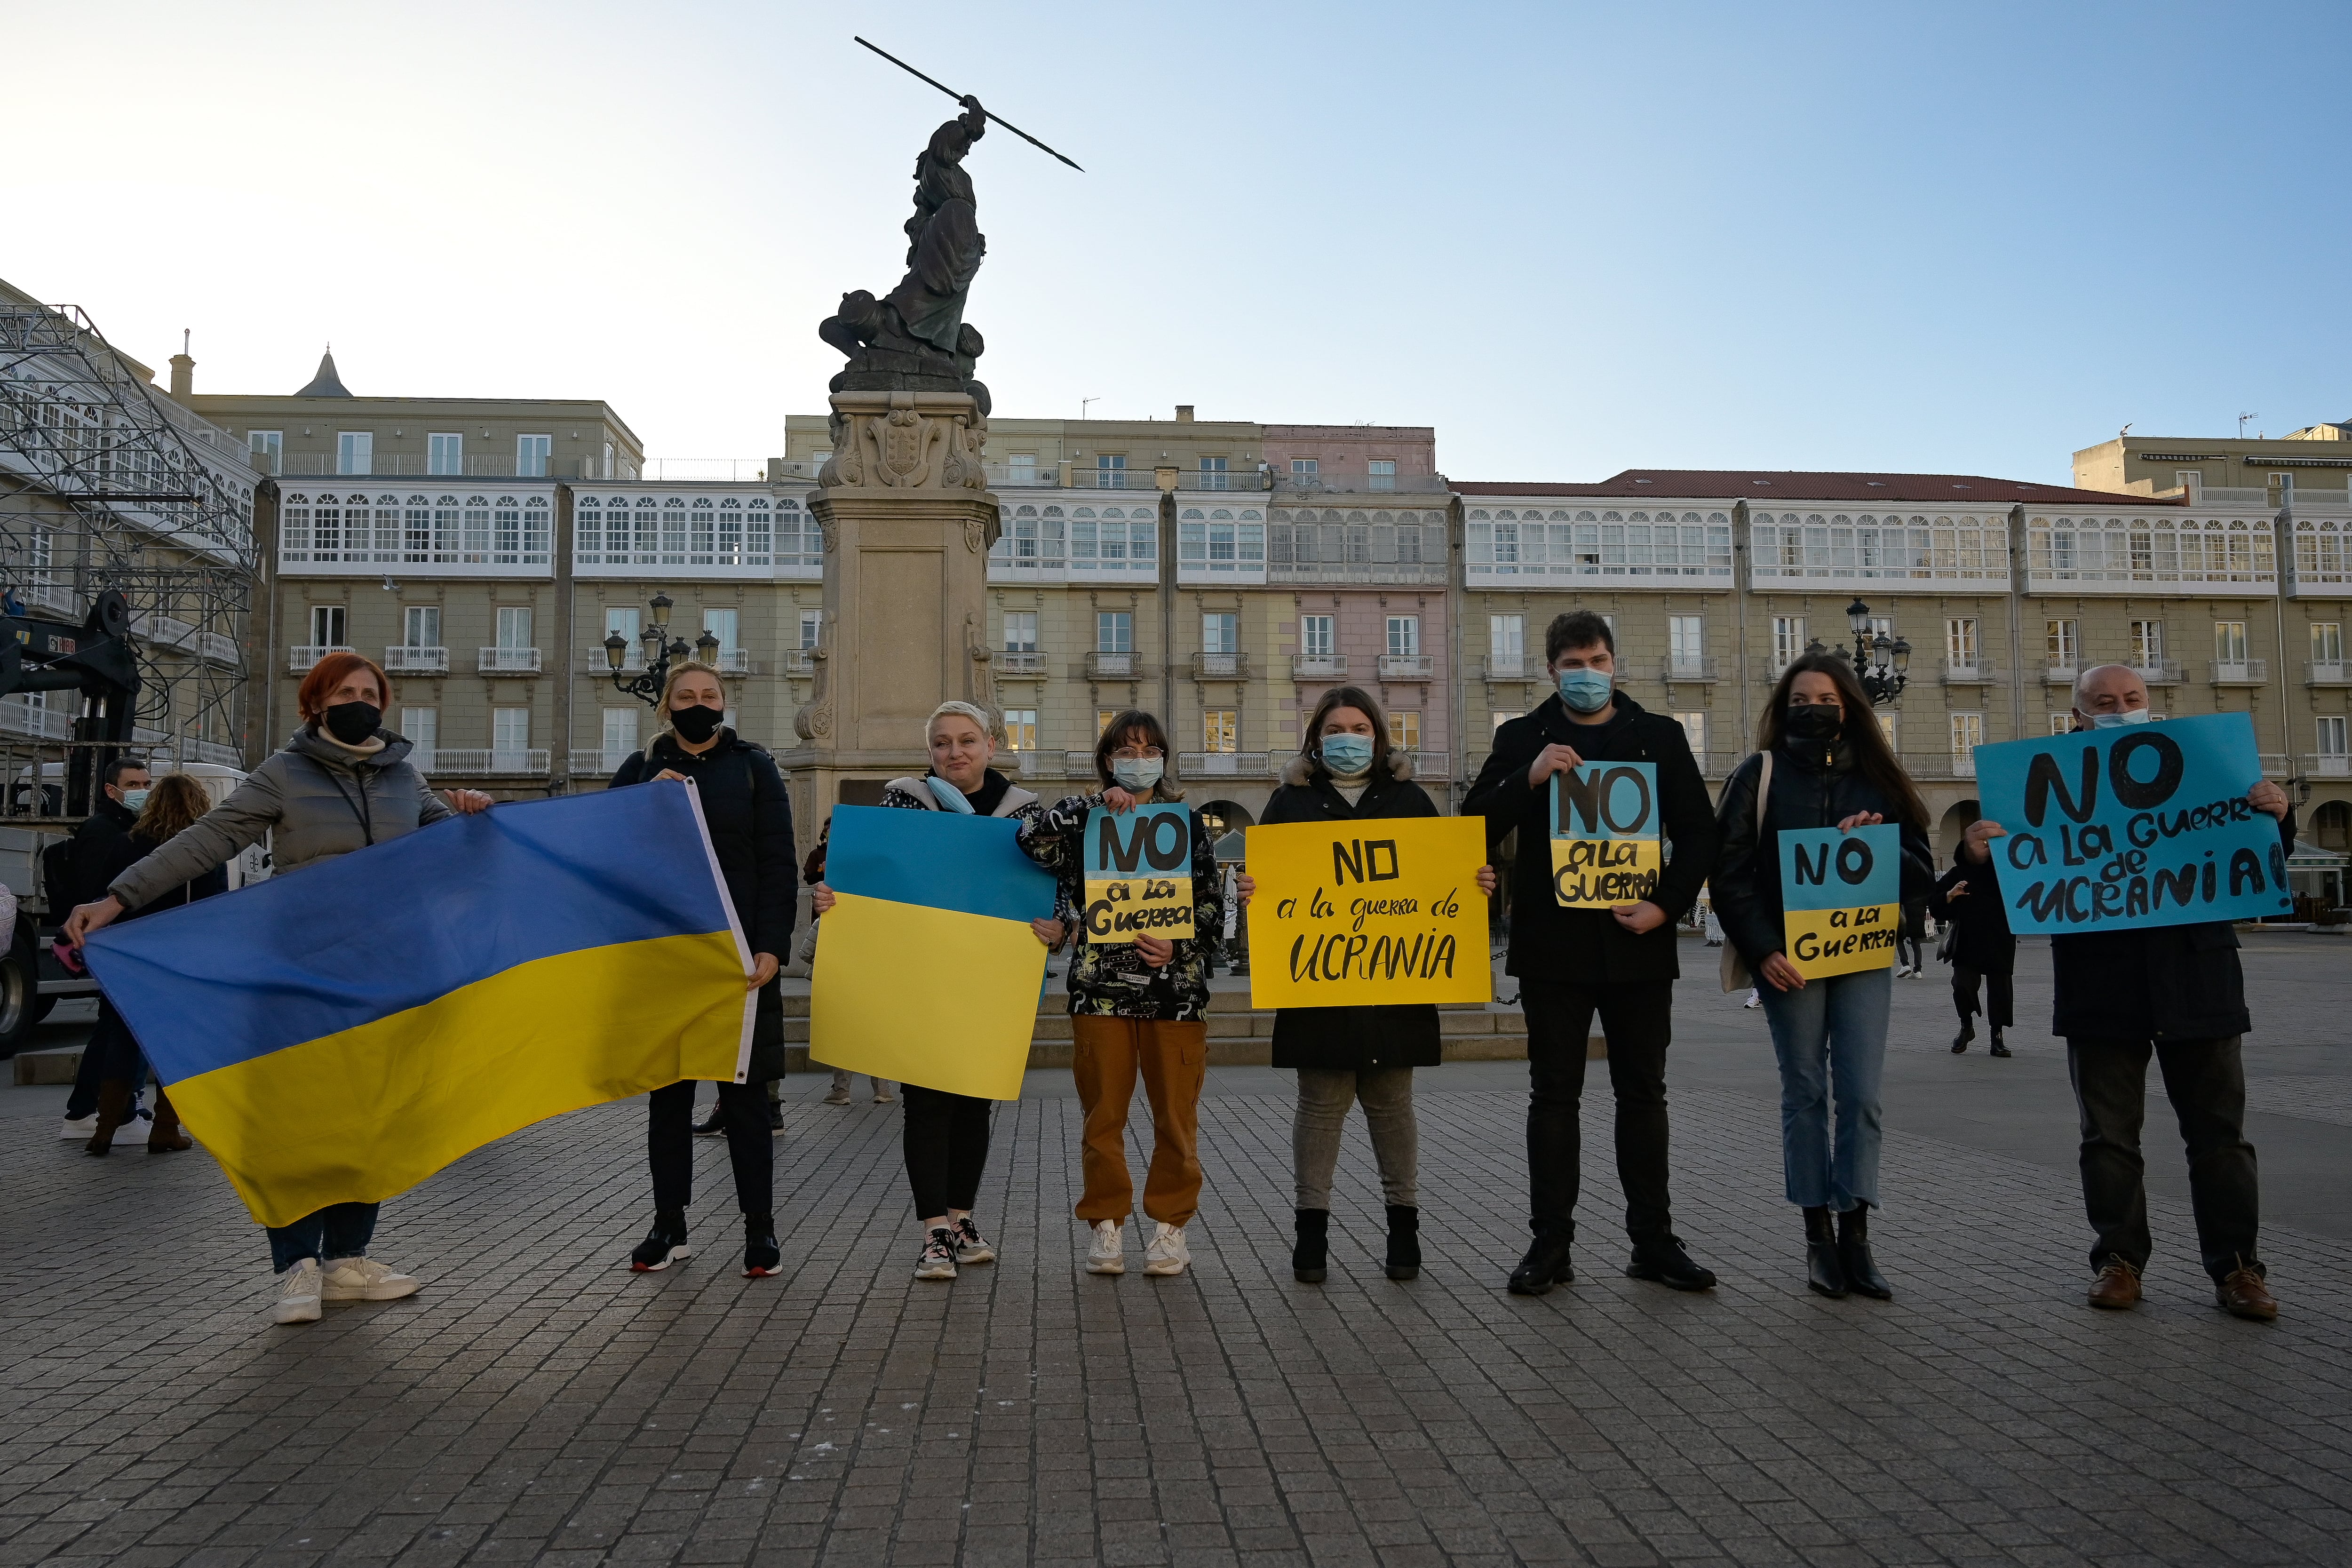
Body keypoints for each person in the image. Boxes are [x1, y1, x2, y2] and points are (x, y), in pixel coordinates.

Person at [65, 652, 493, 1327]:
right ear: (316, 704)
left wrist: (478, 814)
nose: (361, 701)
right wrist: (117, 898)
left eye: (370, 692)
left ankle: (348, 1258)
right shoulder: (285, 773)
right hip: (300, 968)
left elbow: (456, 848)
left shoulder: (406, 777)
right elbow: (208, 839)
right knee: (298, 1117)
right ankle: (296, 1265)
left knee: (369, 1118)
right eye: (346, 692)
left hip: (383, 973)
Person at [1957, 664, 2291, 1321]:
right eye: (2103, 702)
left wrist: (2277, 817)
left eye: (2131, 699)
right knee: (2107, 1137)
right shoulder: (2042, 785)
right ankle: (2119, 1261)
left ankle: (2239, 1269)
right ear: (2077, 716)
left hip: (2199, 979)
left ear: (2151, 704)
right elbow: (2013, 897)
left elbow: (2255, 862)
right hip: (2100, 985)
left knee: (2220, 1137)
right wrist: (1975, 857)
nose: (2120, 708)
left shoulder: (2204, 766)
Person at [1464, 610, 1722, 1297]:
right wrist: (1529, 777)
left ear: (1615, 665)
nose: (1587, 673)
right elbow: (1471, 827)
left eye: (1598, 660)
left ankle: (1654, 1241)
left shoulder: (1659, 737)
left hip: (1638, 942)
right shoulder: (1521, 737)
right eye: (1573, 663)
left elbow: (1699, 833)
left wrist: (1666, 905)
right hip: (1554, 947)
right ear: (1550, 670)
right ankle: (1551, 1243)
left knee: (1643, 1094)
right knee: (1553, 1097)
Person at [1234, 686, 1496, 1285]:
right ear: (1315, 738)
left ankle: (1404, 1231)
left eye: (1358, 728)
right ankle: (1310, 1233)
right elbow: (1265, 883)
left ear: (1377, 737)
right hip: (1317, 986)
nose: (1345, 739)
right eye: (1333, 729)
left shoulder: (1409, 799)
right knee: (1319, 1108)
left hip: (1395, 983)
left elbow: (1442, 879)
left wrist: (1472, 881)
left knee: (1392, 1107)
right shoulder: (1288, 802)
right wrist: (1251, 892)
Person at [808, 701, 1063, 1281]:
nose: (956, 753)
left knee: (974, 1103)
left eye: (967, 741)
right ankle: (933, 1232)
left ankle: (961, 1217)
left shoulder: (1026, 815)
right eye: (943, 743)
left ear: (991, 746)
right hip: (918, 977)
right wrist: (832, 899)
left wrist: (1058, 926)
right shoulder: (905, 799)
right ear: (930, 753)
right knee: (925, 1105)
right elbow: (872, 874)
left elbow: (1055, 886)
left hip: (987, 980)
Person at [1710, 652, 1932, 1302]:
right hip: (1790, 960)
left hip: (1862, 953)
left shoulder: (1881, 780)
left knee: (1861, 1093)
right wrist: (1763, 950)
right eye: (1802, 698)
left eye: (1828, 698)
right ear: (1784, 708)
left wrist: (1880, 839)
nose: (1815, 708)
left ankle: (1858, 1232)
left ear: (1851, 708)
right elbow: (1730, 873)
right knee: (1805, 1089)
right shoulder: (1760, 774)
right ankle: (1817, 1236)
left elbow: (1921, 873)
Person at [1016, 709, 1222, 1278]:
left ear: (1163, 758)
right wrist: (1087, 804)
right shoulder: (1086, 822)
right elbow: (1030, 841)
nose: (1138, 760)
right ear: (1107, 759)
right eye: (1125, 751)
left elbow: (1210, 906)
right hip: (1098, 994)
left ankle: (1170, 1228)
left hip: (1175, 997)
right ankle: (1105, 1226)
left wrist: (1178, 950)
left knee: (1176, 1119)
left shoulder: (1185, 823)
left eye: (1148, 749)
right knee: (1102, 1116)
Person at [607, 664, 795, 1278]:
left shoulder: (754, 768)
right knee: (669, 1101)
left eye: (709, 696)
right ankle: (669, 1224)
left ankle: (760, 1229)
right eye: (686, 696)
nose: (698, 704)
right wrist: (642, 804)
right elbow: (605, 851)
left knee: (745, 1101)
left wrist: (773, 945)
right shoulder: (639, 771)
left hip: (741, 960)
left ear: (725, 703)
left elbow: (777, 860)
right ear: (666, 707)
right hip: (667, 957)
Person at [79, 774, 229, 1154]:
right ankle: (165, 1129)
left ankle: (105, 1129)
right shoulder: (203, 848)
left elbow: (103, 893)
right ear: (199, 804)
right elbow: (215, 906)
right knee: (175, 1045)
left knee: (122, 1038)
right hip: (182, 958)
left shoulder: (126, 843)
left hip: (129, 955)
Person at [58, 757, 153, 1140]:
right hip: (114, 941)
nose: (142, 791)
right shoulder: (103, 831)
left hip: (120, 941)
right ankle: (101, 1111)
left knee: (115, 1028)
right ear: (112, 791)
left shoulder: (128, 827)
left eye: (147, 783)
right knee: (117, 1030)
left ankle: (98, 1108)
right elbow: (101, 888)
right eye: (133, 784)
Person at [791, 820, 894, 1108]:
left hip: (841, 960)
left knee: (841, 1026)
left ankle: (842, 1089)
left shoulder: (842, 873)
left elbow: (813, 938)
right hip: (876, 961)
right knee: (878, 1025)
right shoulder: (881, 878)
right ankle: (882, 1087)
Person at [1929, 839, 2016, 1057]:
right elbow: (1935, 904)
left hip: (1999, 939)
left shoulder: (2007, 872)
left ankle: (1997, 1036)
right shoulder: (1959, 873)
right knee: (1962, 985)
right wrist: (1950, 895)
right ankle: (1966, 1026)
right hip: (1968, 940)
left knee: (2000, 991)